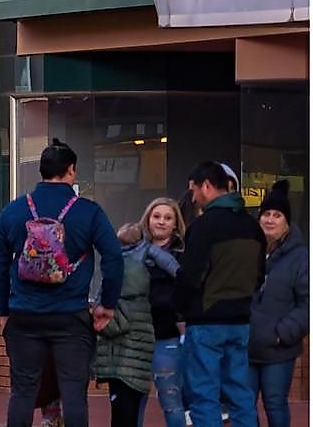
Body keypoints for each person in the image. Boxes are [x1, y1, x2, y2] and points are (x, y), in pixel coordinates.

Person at [0, 140, 122, 427]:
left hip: (24, 314)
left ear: (41, 171)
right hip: (71, 315)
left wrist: (2, 310)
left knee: (23, 391)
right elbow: (113, 257)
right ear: (71, 170)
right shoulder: (89, 212)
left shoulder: (13, 211)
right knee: (74, 392)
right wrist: (106, 305)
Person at [176, 160, 262, 427]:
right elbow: (260, 275)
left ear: (207, 186)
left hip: (206, 321)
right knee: (240, 395)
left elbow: (190, 276)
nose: (192, 197)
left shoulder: (203, 227)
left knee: (204, 397)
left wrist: (179, 308)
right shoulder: (253, 227)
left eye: (193, 190)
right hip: (240, 321)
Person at [96, 222, 161, 427]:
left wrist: (97, 314)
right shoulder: (148, 269)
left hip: (121, 359)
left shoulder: (120, 271)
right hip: (141, 354)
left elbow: (111, 324)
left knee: (122, 412)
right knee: (132, 409)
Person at [251, 182, 304, 427]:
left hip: (278, 349)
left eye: (277, 215)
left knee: (275, 404)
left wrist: (281, 334)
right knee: (243, 405)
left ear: (287, 222)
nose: (270, 220)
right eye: (266, 214)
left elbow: (307, 304)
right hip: (246, 347)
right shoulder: (248, 250)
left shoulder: (301, 256)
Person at [129, 197, 186, 427]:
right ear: (148, 219)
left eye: (167, 217)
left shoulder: (183, 253)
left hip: (168, 336)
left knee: (172, 399)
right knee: (133, 402)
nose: (161, 222)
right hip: (135, 336)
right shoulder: (132, 250)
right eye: (156, 216)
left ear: (175, 223)